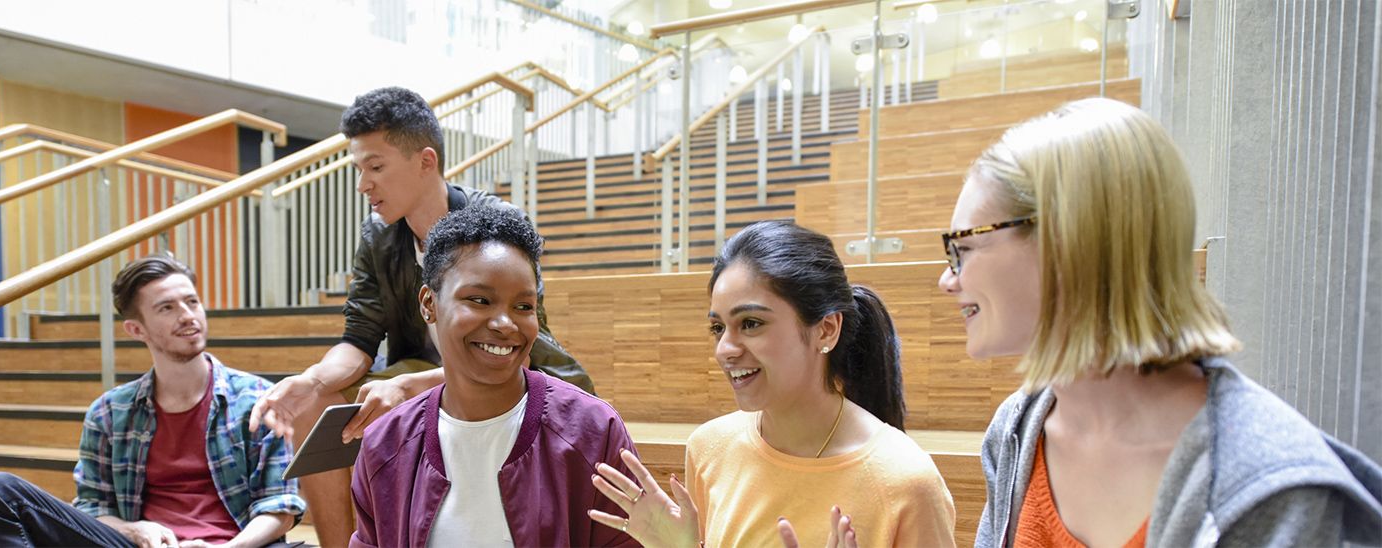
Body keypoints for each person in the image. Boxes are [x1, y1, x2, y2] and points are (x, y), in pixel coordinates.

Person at [939, 98, 1382, 547]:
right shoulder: (1016, 431)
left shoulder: (1273, 492)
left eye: (964, 248)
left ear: (1067, 244)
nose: (947, 279)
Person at [247, 86, 593, 545]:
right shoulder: (378, 235)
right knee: (317, 402)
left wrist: (409, 385)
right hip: (417, 368)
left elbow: (516, 344)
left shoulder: (492, 224)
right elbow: (359, 337)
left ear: (425, 161)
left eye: (376, 167)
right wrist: (310, 381)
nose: (362, 184)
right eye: (359, 169)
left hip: (509, 367)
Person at [590, 220, 957, 548]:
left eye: (751, 323)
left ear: (825, 329)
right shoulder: (709, 448)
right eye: (718, 328)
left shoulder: (907, 481)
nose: (725, 350)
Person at [0, 255, 306, 548]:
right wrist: (133, 529)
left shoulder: (259, 398)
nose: (187, 315)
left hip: (237, 546)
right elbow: (94, 506)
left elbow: (280, 507)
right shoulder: (109, 412)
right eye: (167, 308)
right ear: (136, 329)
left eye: (192, 301)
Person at [349, 201, 639, 547]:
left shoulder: (592, 431)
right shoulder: (385, 445)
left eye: (523, 307)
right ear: (429, 303)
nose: (505, 324)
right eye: (480, 300)